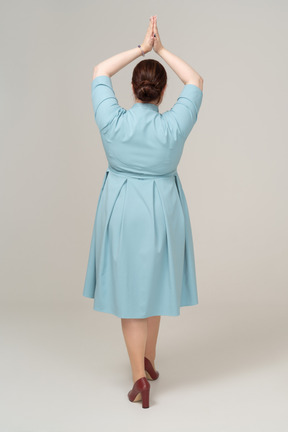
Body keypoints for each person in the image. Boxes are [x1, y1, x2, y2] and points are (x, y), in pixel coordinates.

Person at [83, 15, 204, 408]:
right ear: (163, 91)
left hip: (122, 211)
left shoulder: (113, 123)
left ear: (133, 90)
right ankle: (148, 361)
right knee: (154, 286)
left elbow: (100, 70)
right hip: (163, 212)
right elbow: (197, 81)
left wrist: (141, 47)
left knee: (132, 296)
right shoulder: (171, 128)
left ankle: (141, 375)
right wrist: (163, 50)